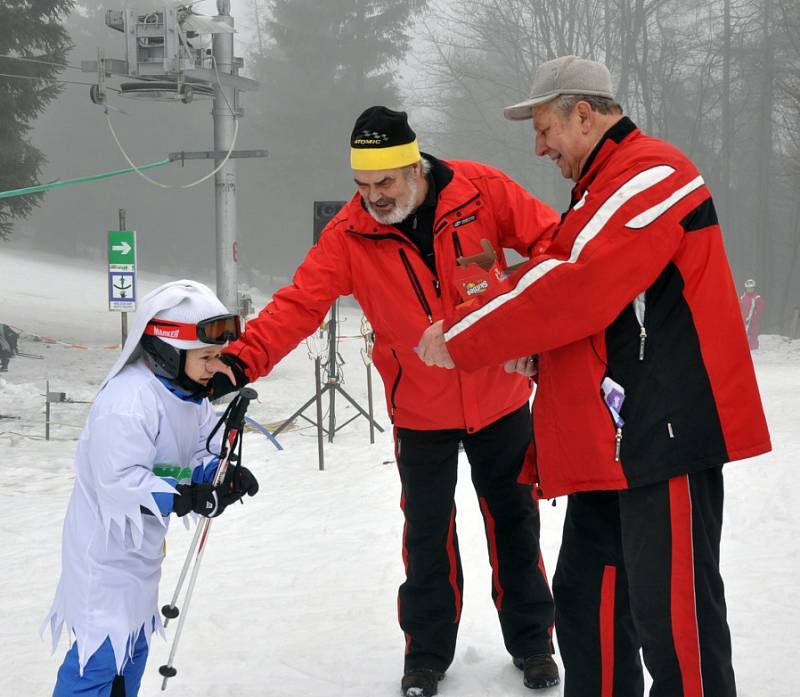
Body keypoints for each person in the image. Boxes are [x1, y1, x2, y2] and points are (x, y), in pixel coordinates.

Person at [417, 56, 772, 697]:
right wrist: (539, 352)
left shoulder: (653, 173)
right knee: (586, 604)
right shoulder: (601, 189)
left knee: (675, 624)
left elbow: (576, 280)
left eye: (545, 126)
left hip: (665, 436)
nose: (539, 145)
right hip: (612, 444)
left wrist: (464, 333)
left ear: (585, 113)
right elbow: (587, 293)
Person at [209, 106, 562, 695]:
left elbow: (554, 244)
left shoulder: (482, 192)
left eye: (385, 182)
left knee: (514, 524)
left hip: (499, 396)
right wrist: (244, 359)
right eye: (362, 184)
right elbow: (299, 304)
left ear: (414, 166)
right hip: (419, 409)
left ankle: (533, 644)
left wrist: (519, 320)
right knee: (426, 534)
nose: (372, 196)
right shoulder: (349, 233)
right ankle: (425, 653)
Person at [42, 280, 259, 697]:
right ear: (167, 350)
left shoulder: (188, 397)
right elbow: (119, 483)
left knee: (133, 653)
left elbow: (195, 454)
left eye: (218, 356)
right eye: (206, 357)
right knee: (99, 657)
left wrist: (219, 475)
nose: (215, 366)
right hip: (103, 559)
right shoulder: (128, 400)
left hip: (140, 556)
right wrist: (186, 497)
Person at [740, 278, 765, 349]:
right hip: (744, 319)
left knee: (753, 333)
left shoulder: (757, 297)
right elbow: (740, 307)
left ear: (754, 288)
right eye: (748, 288)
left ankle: (753, 347)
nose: (750, 290)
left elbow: (761, 307)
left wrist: (755, 314)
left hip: (753, 320)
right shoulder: (743, 297)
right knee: (743, 333)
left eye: (751, 288)